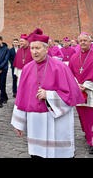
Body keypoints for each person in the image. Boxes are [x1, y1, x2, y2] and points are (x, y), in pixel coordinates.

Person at [11, 30, 85, 158]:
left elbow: (70, 95)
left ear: (46, 49)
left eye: (38, 48)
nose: (34, 52)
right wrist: (19, 123)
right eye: (32, 48)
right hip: (35, 120)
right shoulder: (27, 69)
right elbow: (21, 97)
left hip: (56, 120)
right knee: (37, 153)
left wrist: (49, 95)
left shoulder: (60, 67)